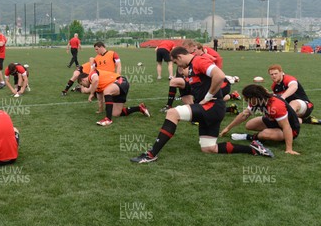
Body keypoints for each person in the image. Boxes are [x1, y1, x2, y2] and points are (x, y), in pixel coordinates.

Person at [130, 46, 273, 164]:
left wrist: (209, 96)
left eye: (175, 62)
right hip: (213, 110)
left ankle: (151, 154)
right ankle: (254, 149)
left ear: (179, 57)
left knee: (172, 113)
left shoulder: (198, 61)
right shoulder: (192, 66)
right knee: (209, 148)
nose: (177, 66)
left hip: (211, 107)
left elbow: (219, 75)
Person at [221, 84, 300, 155]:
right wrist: (228, 128)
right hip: (274, 121)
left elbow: (286, 126)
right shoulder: (257, 100)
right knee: (250, 125)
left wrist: (289, 149)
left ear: (254, 97)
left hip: (291, 130)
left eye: (247, 98)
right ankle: (269, 133)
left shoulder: (276, 105)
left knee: (265, 134)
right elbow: (243, 115)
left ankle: (250, 137)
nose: (246, 100)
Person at [76, 69, 150, 126]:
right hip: (117, 88)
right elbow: (100, 99)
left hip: (120, 81)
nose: (83, 86)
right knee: (116, 113)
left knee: (107, 91)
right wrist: (100, 110)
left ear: (83, 80)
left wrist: (91, 93)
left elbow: (96, 80)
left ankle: (108, 119)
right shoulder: (97, 86)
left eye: (81, 84)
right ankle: (140, 108)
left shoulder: (92, 74)